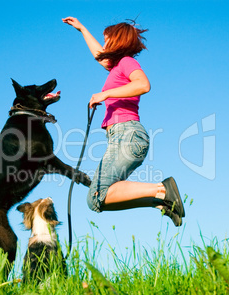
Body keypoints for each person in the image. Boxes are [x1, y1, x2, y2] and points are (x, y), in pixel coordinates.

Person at [62, 17, 185, 226]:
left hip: (127, 135)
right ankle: (162, 202)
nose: (105, 44)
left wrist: (105, 94)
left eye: (107, 39)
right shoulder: (116, 66)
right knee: (95, 200)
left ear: (117, 40)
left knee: (98, 193)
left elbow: (143, 85)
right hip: (120, 137)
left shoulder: (127, 62)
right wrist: (82, 28)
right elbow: (100, 56)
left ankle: (162, 189)